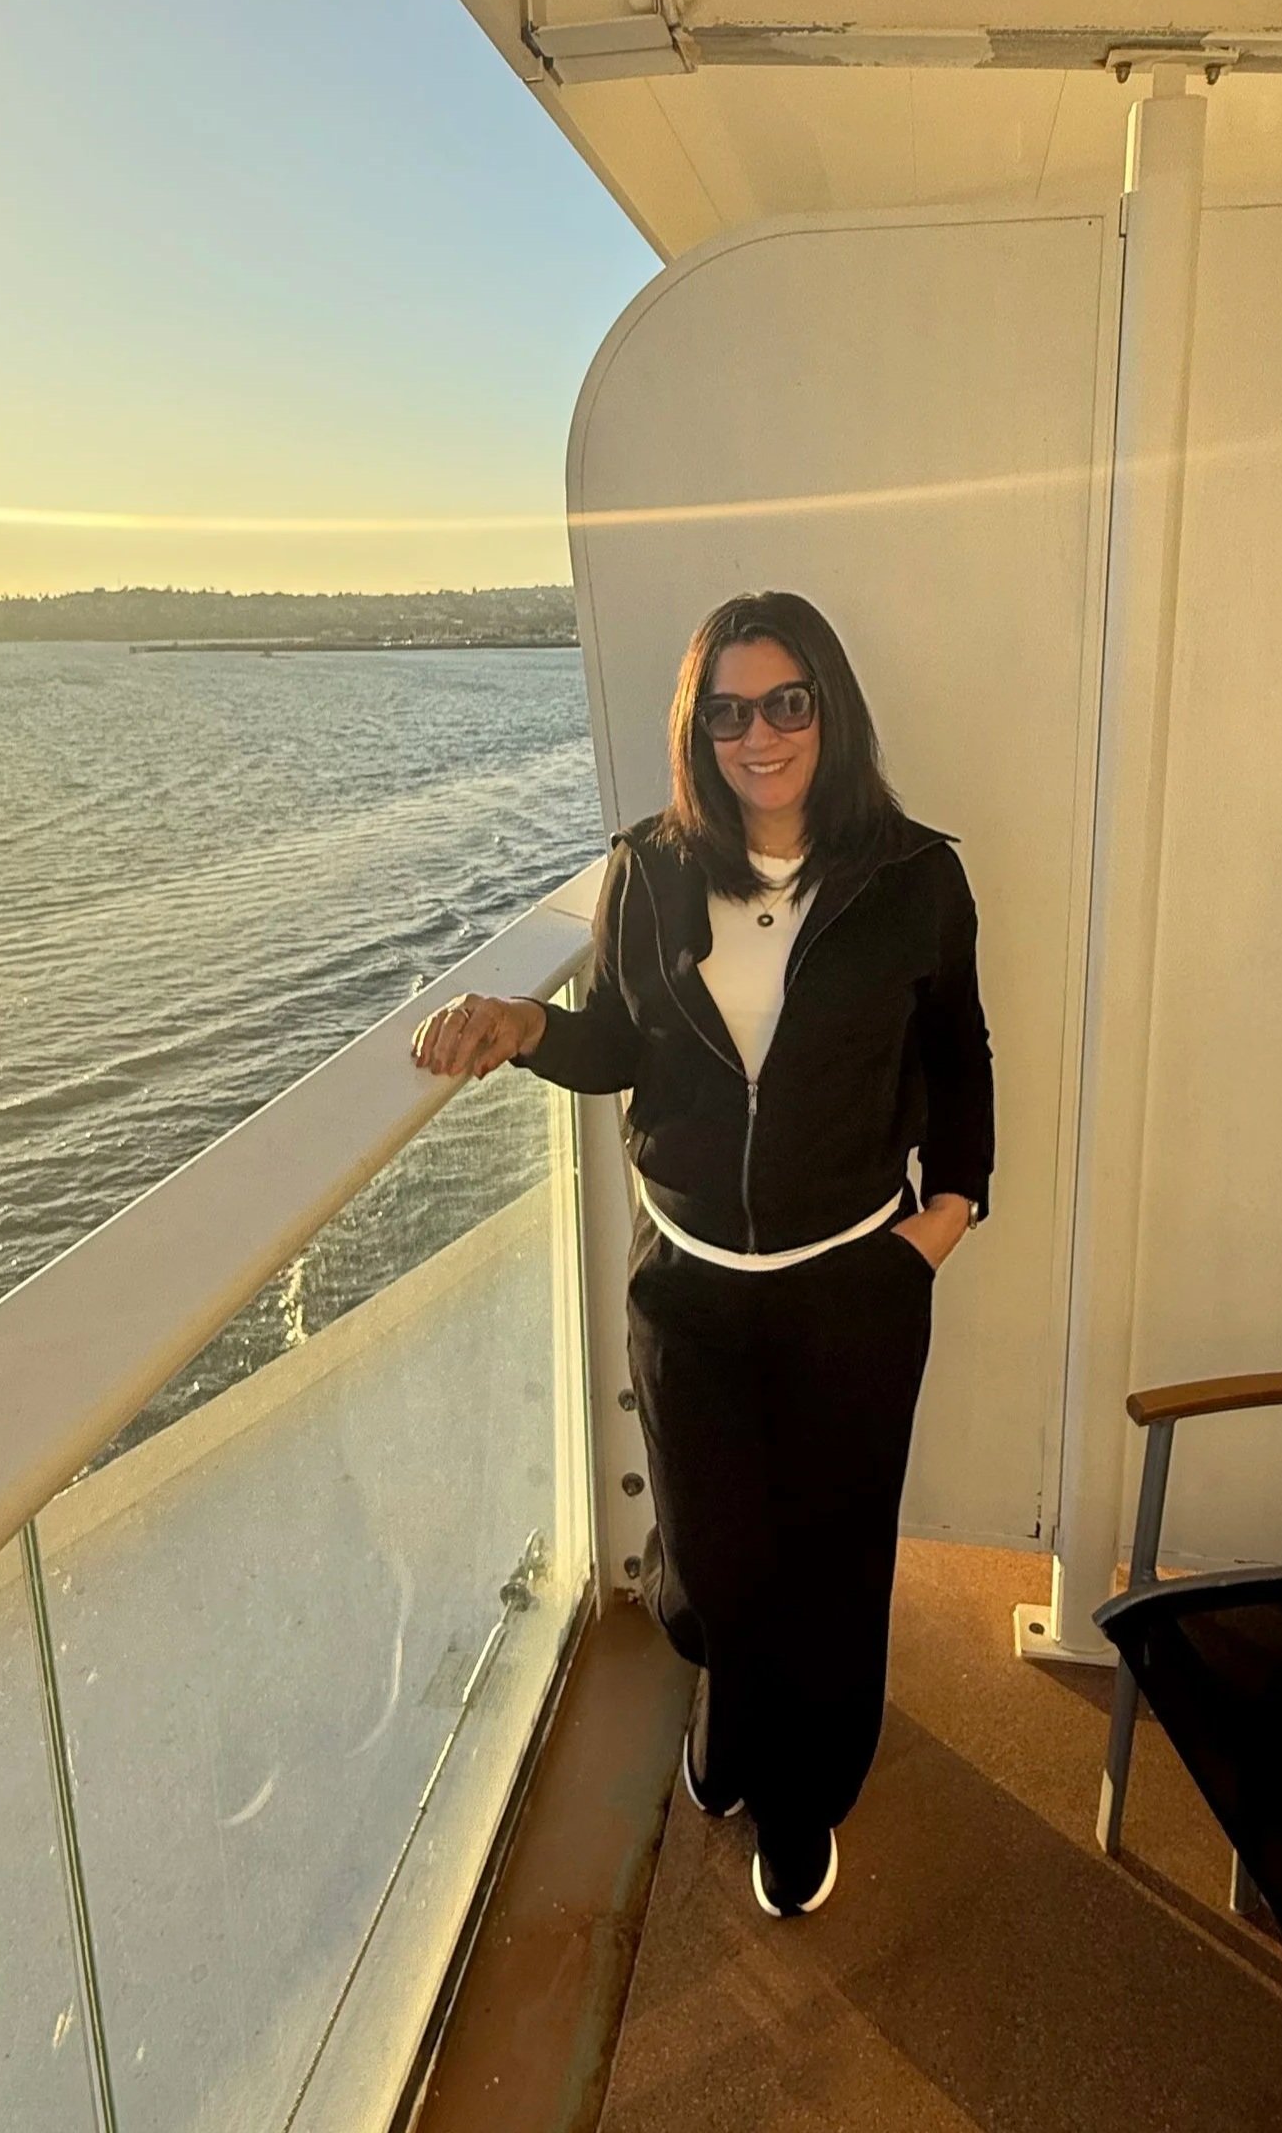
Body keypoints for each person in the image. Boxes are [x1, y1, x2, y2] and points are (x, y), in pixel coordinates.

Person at [410, 590, 993, 1918]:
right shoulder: (653, 868)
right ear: (699, 729)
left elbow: (958, 1055)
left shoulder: (914, 878)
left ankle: (798, 1804)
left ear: (828, 712)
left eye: (787, 702)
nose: (759, 734)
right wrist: (526, 1027)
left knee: (833, 1570)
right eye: (727, 710)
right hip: (688, 1293)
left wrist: (949, 1215)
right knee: (718, 1568)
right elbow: (620, 1042)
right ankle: (731, 1709)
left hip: (855, 1281)